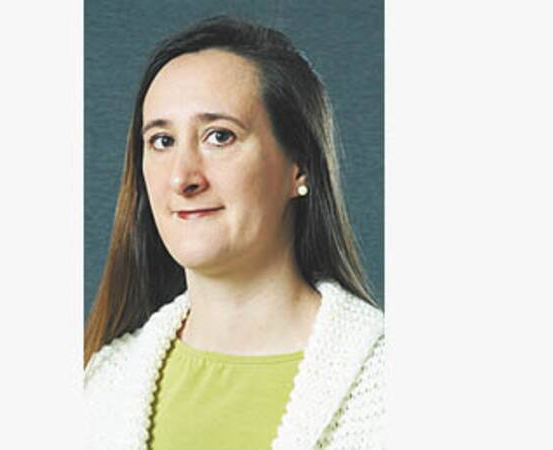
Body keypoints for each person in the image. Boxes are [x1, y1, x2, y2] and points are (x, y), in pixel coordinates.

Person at [84, 15, 384, 450]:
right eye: (162, 141)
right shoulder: (97, 390)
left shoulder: (384, 384)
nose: (182, 178)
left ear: (299, 166)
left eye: (219, 136)